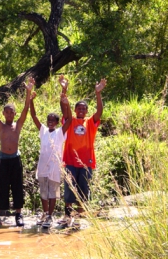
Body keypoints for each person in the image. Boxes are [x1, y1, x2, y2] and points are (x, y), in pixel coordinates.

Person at [0, 78, 34, 227]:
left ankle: (18, 214)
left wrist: (28, 92)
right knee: (1, 187)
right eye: (7, 112)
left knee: (17, 186)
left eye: (12, 112)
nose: (9, 114)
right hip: (3, 159)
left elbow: (26, 109)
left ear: (14, 113)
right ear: (4, 113)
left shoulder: (17, 125)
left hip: (15, 159)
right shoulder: (0, 125)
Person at [61, 75, 107, 225]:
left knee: (84, 190)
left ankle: (79, 217)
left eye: (83, 108)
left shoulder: (90, 122)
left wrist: (98, 93)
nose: (81, 110)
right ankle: (68, 216)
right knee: (69, 188)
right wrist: (64, 90)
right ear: (75, 110)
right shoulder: (70, 121)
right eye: (78, 108)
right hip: (70, 161)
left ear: (86, 111)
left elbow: (99, 112)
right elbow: (64, 108)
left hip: (86, 162)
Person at [29, 79, 71, 229]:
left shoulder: (60, 132)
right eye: (49, 120)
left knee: (53, 192)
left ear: (57, 122)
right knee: (43, 192)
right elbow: (33, 116)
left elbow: (70, 119)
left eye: (53, 120)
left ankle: (50, 216)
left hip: (54, 167)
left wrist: (66, 101)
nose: (50, 122)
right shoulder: (43, 131)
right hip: (43, 166)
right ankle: (45, 213)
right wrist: (31, 100)